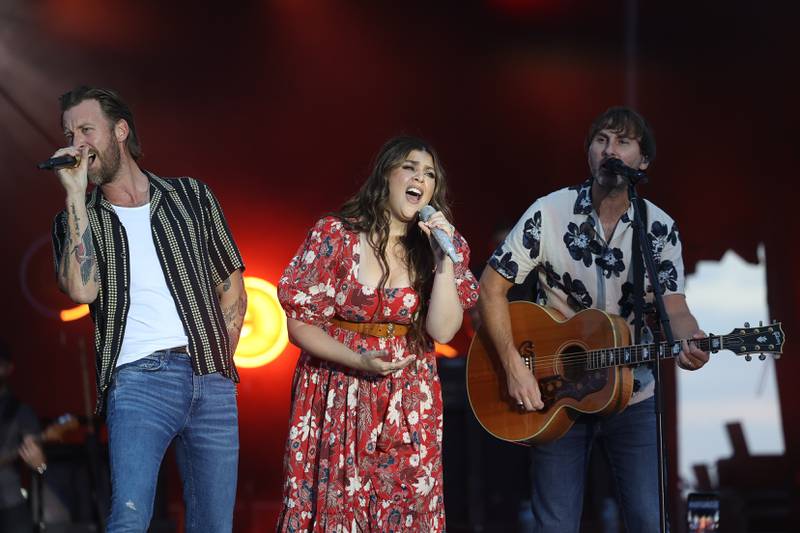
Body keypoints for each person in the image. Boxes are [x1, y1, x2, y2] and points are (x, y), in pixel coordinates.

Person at [477, 107, 710, 532]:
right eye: (602, 140)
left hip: (633, 395)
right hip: (555, 391)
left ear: (642, 162)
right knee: (556, 524)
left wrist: (691, 338)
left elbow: (673, 306)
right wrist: (513, 366)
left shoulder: (658, 227)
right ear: (589, 153)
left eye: (623, 142)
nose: (610, 149)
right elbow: (491, 286)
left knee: (648, 519)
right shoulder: (549, 212)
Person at [49, 86, 246, 532]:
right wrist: (75, 196)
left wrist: (218, 361)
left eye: (85, 130)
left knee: (213, 525)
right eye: (68, 133)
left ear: (120, 130)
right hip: (138, 381)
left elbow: (231, 285)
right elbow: (81, 291)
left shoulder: (191, 196)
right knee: (129, 520)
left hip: (210, 379)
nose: (76, 143)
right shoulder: (76, 218)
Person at [276, 136, 479, 531]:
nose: (420, 178)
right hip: (339, 388)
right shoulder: (335, 235)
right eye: (410, 168)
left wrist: (443, 263)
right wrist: (359, 360)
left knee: (404, 507)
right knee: (340, 505)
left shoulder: (437, 250)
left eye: (430, 174)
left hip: (409, 396)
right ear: (385, 175)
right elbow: (299, 325)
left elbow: (441, 329)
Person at [0, 341, 46, 533]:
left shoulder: (20, 411)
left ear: (8, 368)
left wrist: (39, 464)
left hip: (9, 503)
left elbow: (39, 463)